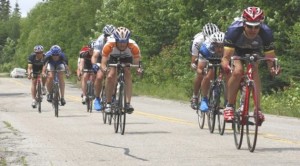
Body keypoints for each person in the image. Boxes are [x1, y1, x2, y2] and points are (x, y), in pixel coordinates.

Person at [221, 7, 280, 125]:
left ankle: (257, 110)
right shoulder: (234, 30)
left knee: (254, 70)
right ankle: (229, 106)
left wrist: (273, 68)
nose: (253, 30)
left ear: (261, 25)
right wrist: (227, 67)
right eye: (249, 26)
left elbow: (270, 58)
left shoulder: (266, 32)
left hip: (254, 50)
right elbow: (226, 58)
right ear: (243, 24)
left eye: (257, 26)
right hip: (236, 51)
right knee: (237, 71)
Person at [101, 26, 143, 114]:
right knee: (110, 75)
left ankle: (128, 103)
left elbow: (137, 63)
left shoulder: (133, 46)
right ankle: (108, 103)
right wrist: (104, 69)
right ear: (115, 40)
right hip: (113, 57)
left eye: (124, 42)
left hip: (127, 57)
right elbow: (103, 63)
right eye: (120, 42)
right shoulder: (109, 45)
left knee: (127, 72)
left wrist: (138, 69)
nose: (122, 44)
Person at [190, 23, 220, 110]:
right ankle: (195, 97)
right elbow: (193, 60)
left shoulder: (219, 39)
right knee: (199, 75)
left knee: (214, 69)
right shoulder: (198, 41)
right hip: (200, 52)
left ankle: (214, 91)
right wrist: (196, 67)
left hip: (213, 52)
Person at [197, 31, 226, 111]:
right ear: (213, 45)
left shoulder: (228, 49)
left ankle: (227, 101)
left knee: (227, 71)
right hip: (209, 57)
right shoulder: (205, 49)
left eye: (222, 46)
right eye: (217, 46)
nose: (220, 49)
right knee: (210, 73)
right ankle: (204, 99)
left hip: (223, 58)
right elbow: (199, 69)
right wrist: (203, 72)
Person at [91, 24, 116, 111]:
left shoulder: (117, 40)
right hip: (102, 58)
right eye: (106, 36)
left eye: (111, 36)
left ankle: (113, 96)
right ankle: (97, 98)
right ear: (104, 35)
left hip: (113, 58)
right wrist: (94, 65)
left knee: (113, 77)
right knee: (99, 77)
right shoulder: (100, 40)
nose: (108, 37)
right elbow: (94, 56)